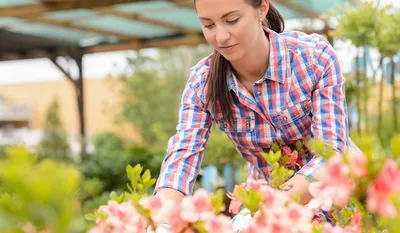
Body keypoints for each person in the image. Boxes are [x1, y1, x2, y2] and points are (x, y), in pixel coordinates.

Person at [153, 0, 359, 231]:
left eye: (232, 20)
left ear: (262, 7)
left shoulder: (312, 58)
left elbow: (331, 154)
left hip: (342, 205)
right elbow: (182, 159)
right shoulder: (203, 83)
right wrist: (162, 219)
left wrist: (270, 206)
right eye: (208, 25)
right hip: (275, 218)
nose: (221, 37)